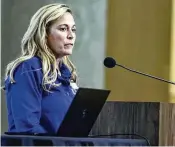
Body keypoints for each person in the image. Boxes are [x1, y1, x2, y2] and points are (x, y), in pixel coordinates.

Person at [3, 3, 79, 135]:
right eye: (63, 29)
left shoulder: (66, 74)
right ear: (44, 33)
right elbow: (28, 127)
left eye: (73, 29)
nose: (70, 35)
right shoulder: (28, 69)